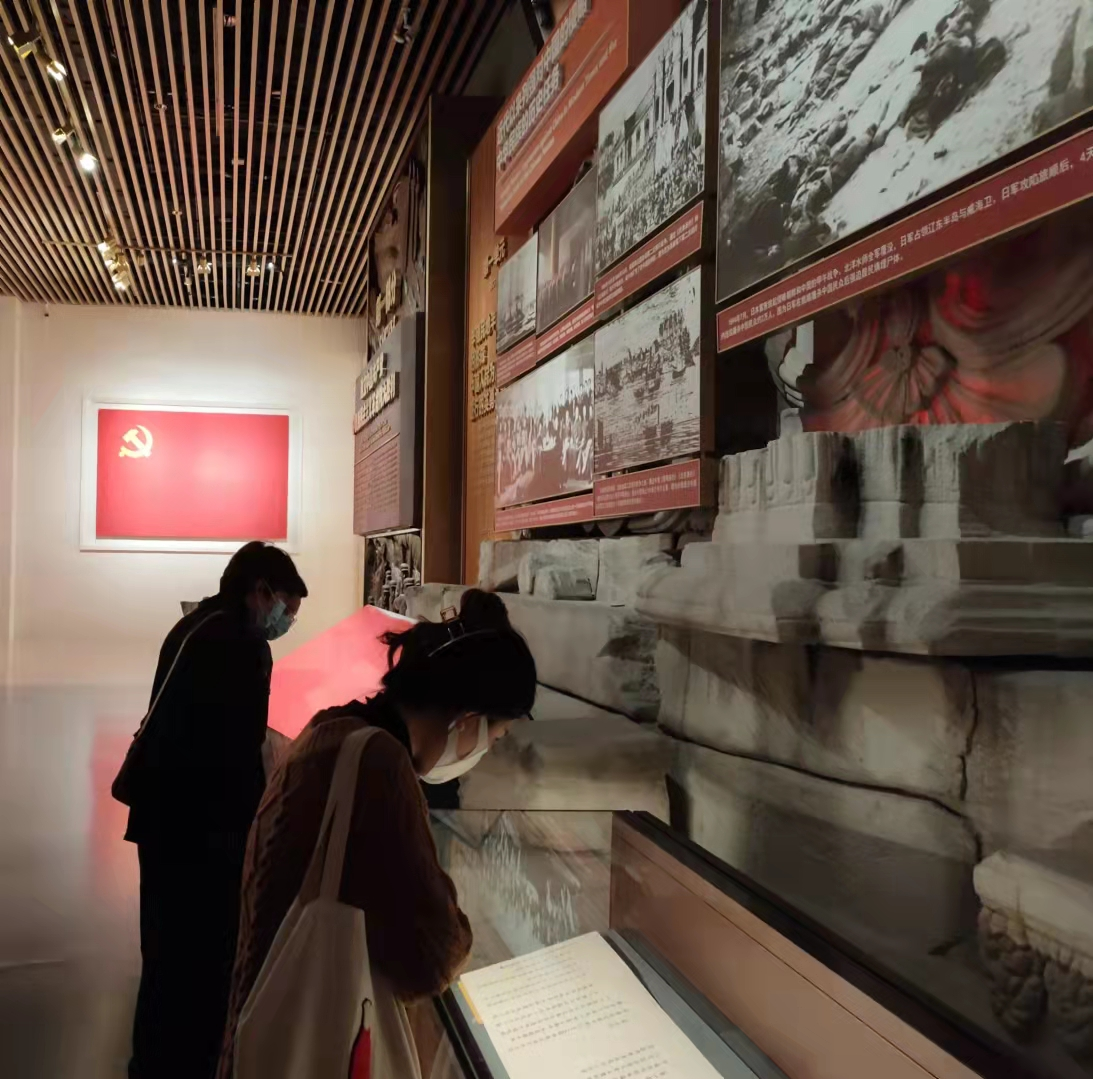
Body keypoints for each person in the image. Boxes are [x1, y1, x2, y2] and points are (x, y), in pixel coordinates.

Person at [216, 588, 537, 1079]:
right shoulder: (379, 763)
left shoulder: (334, 728)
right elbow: (427, 957)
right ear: (468, 721)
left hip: (261, 1015)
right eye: (496, 738)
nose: (486, 751)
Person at [126, 541, 308, 1079]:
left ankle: (152, 1059)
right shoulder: (242, 646)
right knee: (204, 958)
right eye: (287, 609)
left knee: (164, 953)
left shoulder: (195, 625)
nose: (286, 622)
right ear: (261, 593)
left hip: (164, 820)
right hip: (202, 833)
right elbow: (238, 753)